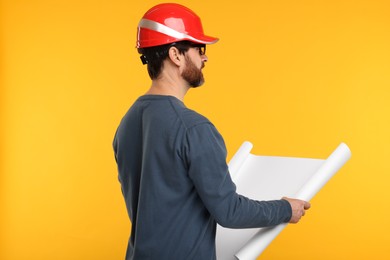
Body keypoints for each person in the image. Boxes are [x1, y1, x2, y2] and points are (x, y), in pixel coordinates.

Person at [113, 3, 311, 260]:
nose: (205, 58)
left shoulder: (127, 123)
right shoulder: (193, 128)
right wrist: (286, 209)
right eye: (199, 49)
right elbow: (229, 211)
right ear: (175, 55)